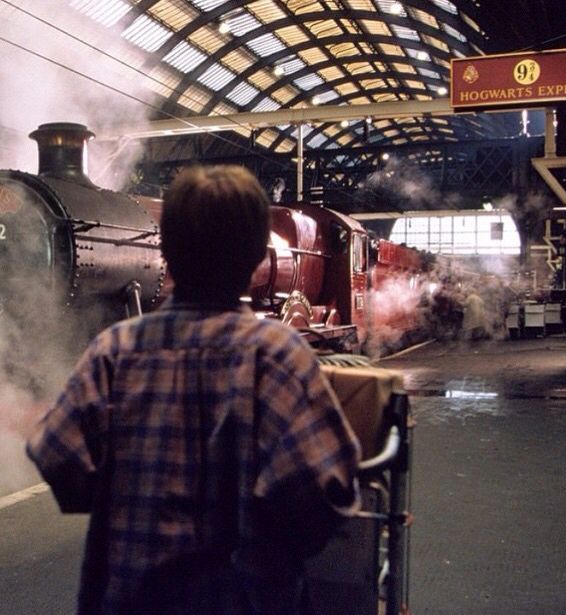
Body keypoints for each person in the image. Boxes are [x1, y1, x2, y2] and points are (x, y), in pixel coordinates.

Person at [26, 165, 361, 615]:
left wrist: (122, 491)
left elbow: (58, 457)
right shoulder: (277, 356)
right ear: (253, 257)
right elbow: (325, 495)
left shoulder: (117, 350)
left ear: (167, 250)